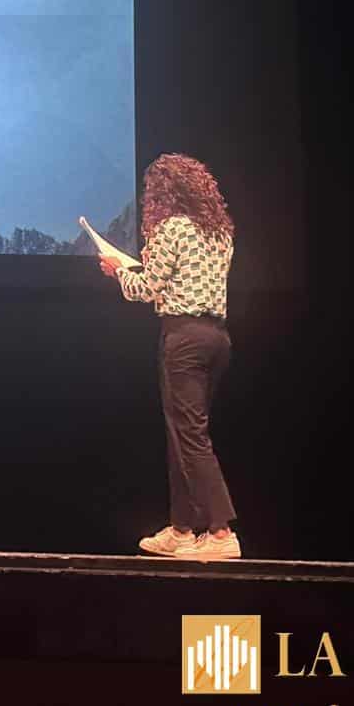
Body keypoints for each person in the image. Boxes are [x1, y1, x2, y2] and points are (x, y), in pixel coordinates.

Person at [93, 153, 238, 562]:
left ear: (163, 192)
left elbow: (148, 287)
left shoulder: (171, 227)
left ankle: (221, 530)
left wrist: (117, 271)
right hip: (216, 338)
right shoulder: (220, 231)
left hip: (184, 338)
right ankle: (182, 529)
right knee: (184, 434)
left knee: (190, 436)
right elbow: (180, 278)